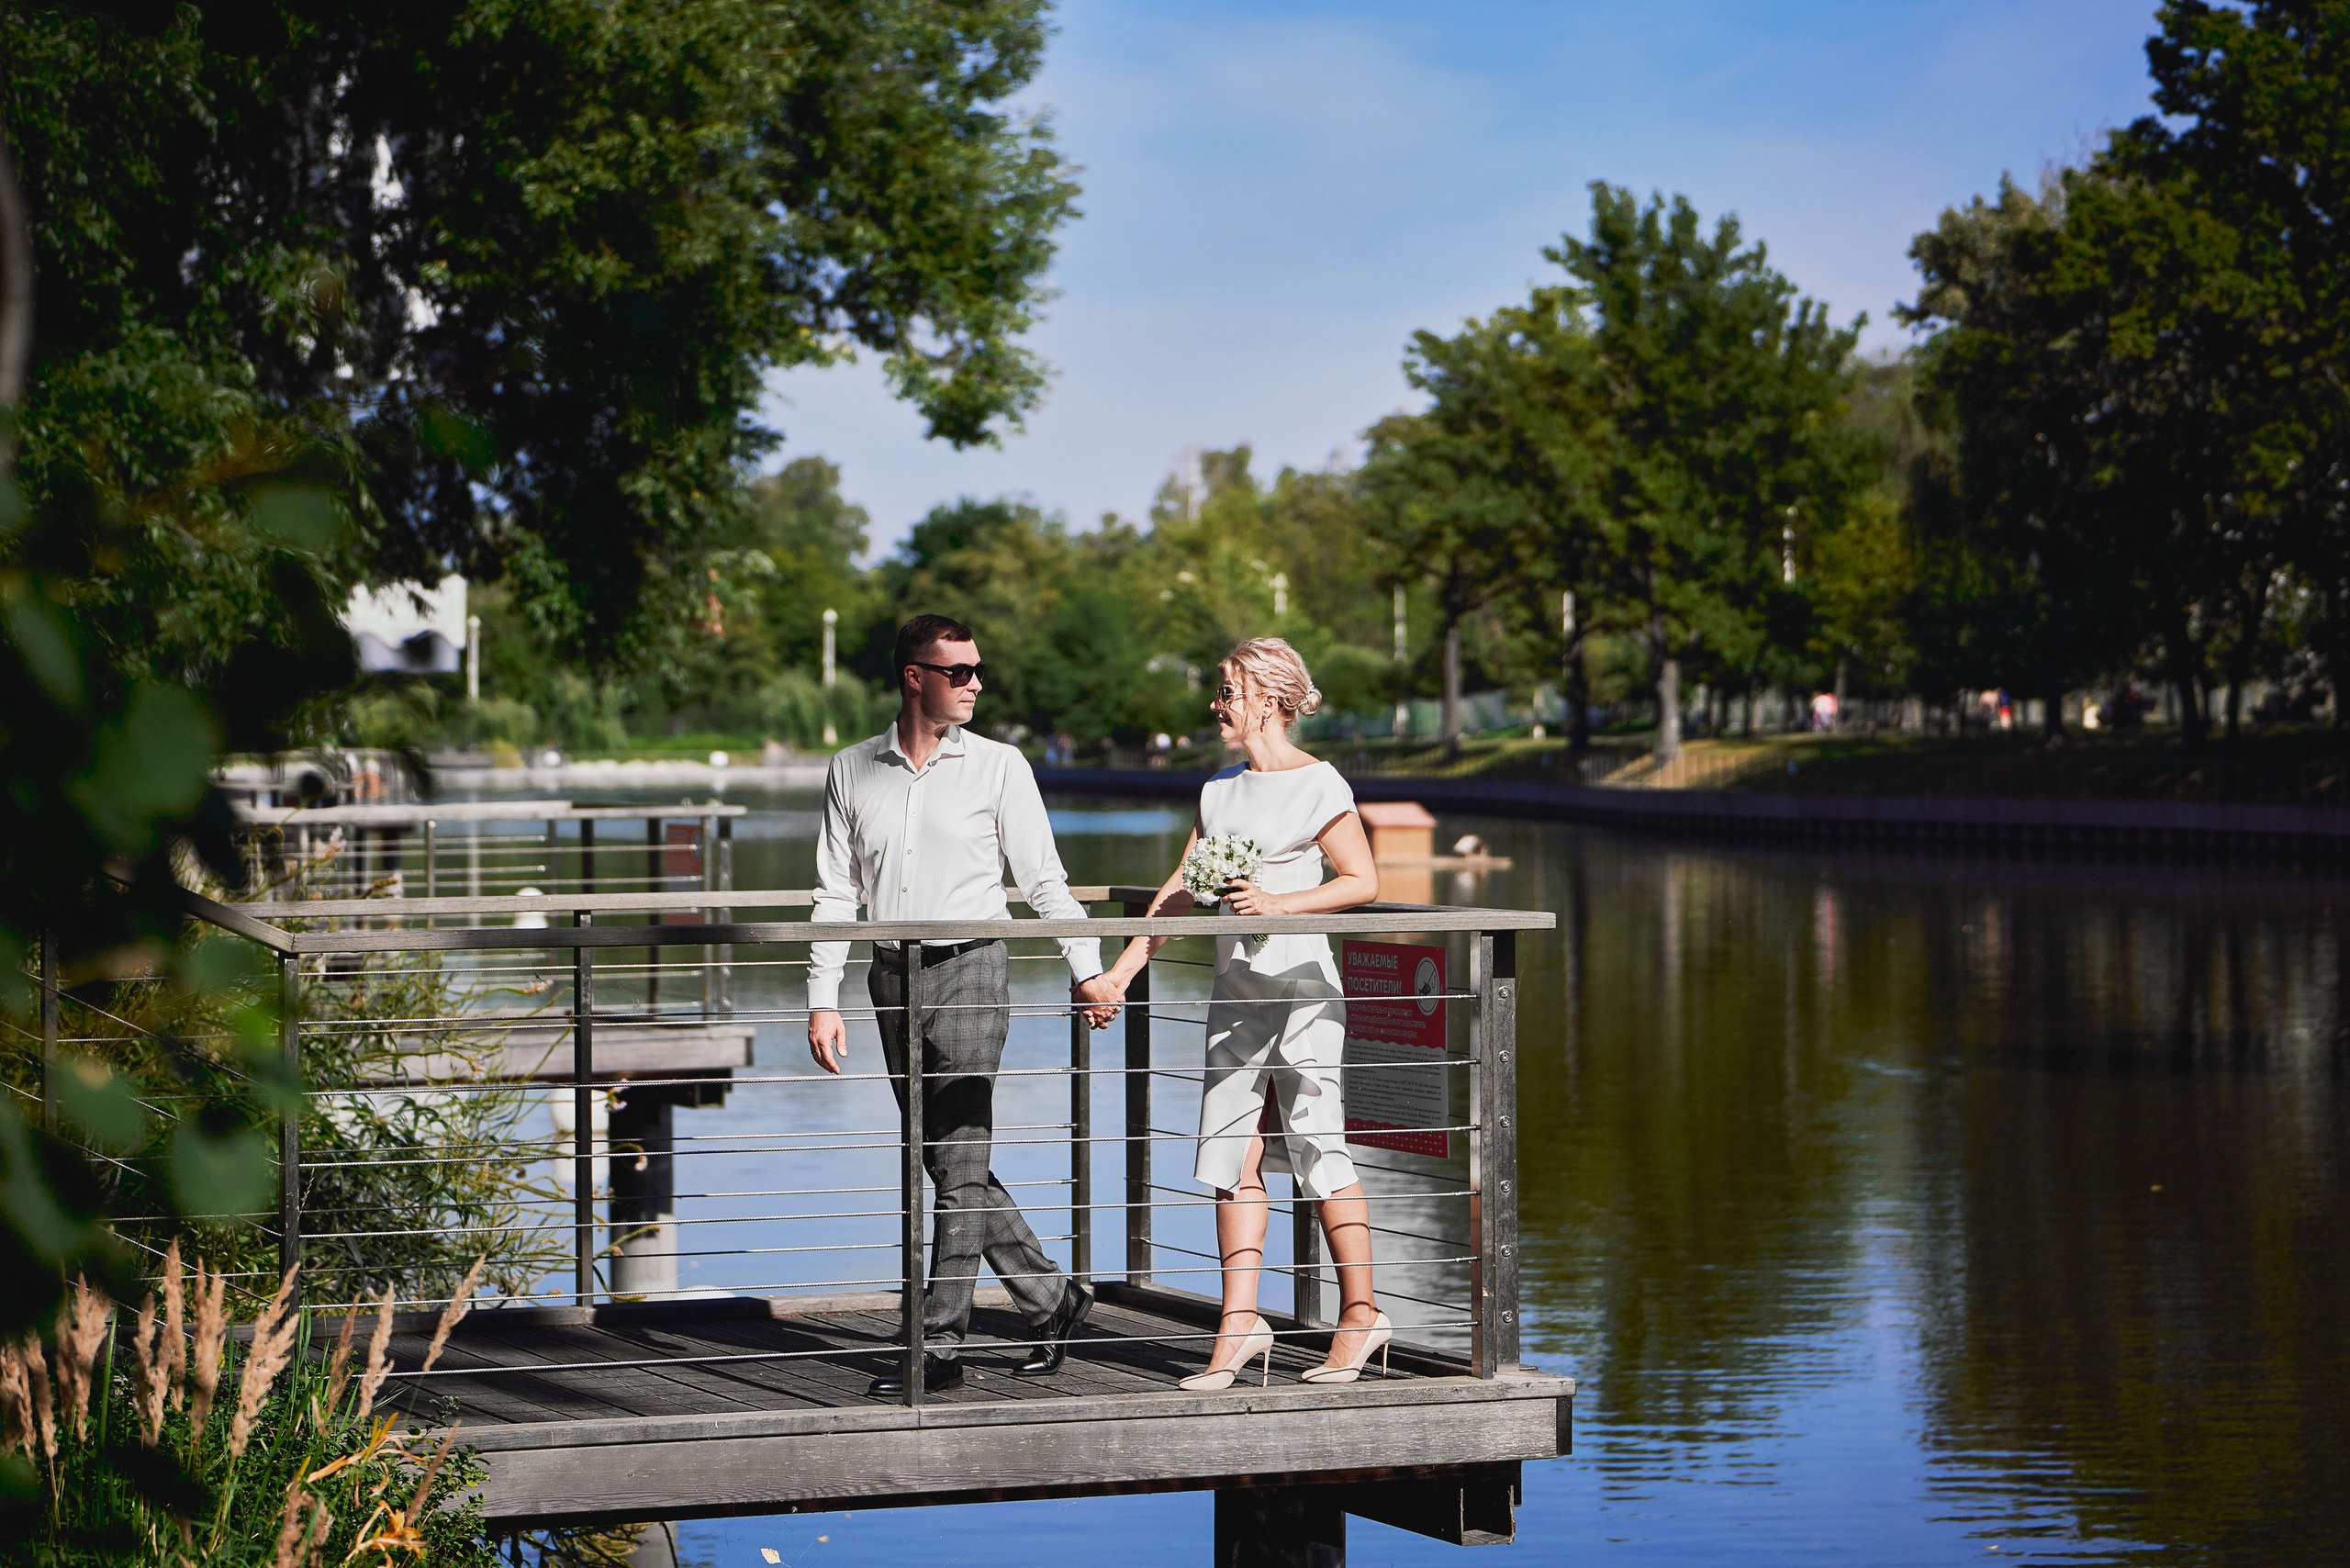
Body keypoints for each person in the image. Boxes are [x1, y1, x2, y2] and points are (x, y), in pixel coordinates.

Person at [807, 614, 1127, 1395]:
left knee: (956, 1163)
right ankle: (1052, 1297)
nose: (977, 683)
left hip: (974, 971)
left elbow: (1046, 880)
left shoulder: (1000, 766)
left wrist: (1086, 968)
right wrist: (824, 996)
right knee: (947, 1157)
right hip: (890, 978)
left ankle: (938, 1346)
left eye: (979, 669)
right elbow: (834, 893)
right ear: (915, 676)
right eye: (960, 672)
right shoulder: (853, 770)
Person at [1100, 637, 1390, 1389]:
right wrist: (1123, 972)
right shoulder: (1218, 792)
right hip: (1236, 994)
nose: (1216, 703)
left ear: (1268, 699)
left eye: (1227, 689)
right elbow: (1179, 891)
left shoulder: (1321, 784)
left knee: (1320, 1145)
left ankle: (1360, 1315)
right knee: (1232, 1155)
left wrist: (1280, 903)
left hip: (1304, 992)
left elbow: (1361, 880)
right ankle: (1238, 1328)